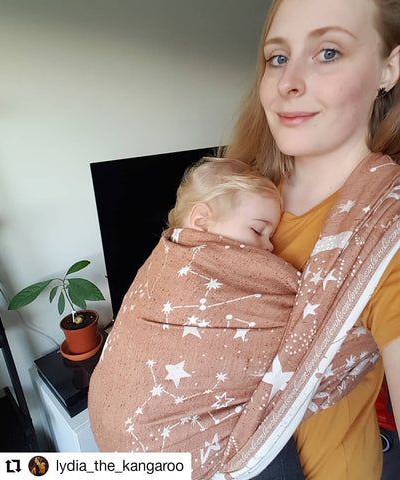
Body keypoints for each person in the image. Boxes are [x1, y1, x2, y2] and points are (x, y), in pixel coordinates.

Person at [215, 0, 400, 479]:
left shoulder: (386, 229)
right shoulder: (238, 192)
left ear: (389, 68)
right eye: (278, 58)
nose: (287, 82)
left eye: (328, 52)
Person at [88, 157, 305, 480]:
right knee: (271, 441)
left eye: (270, 234)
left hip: (111, 433)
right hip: (144, 434)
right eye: (258, 230)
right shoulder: (173, 262)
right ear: (201, 221)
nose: (269, 246)